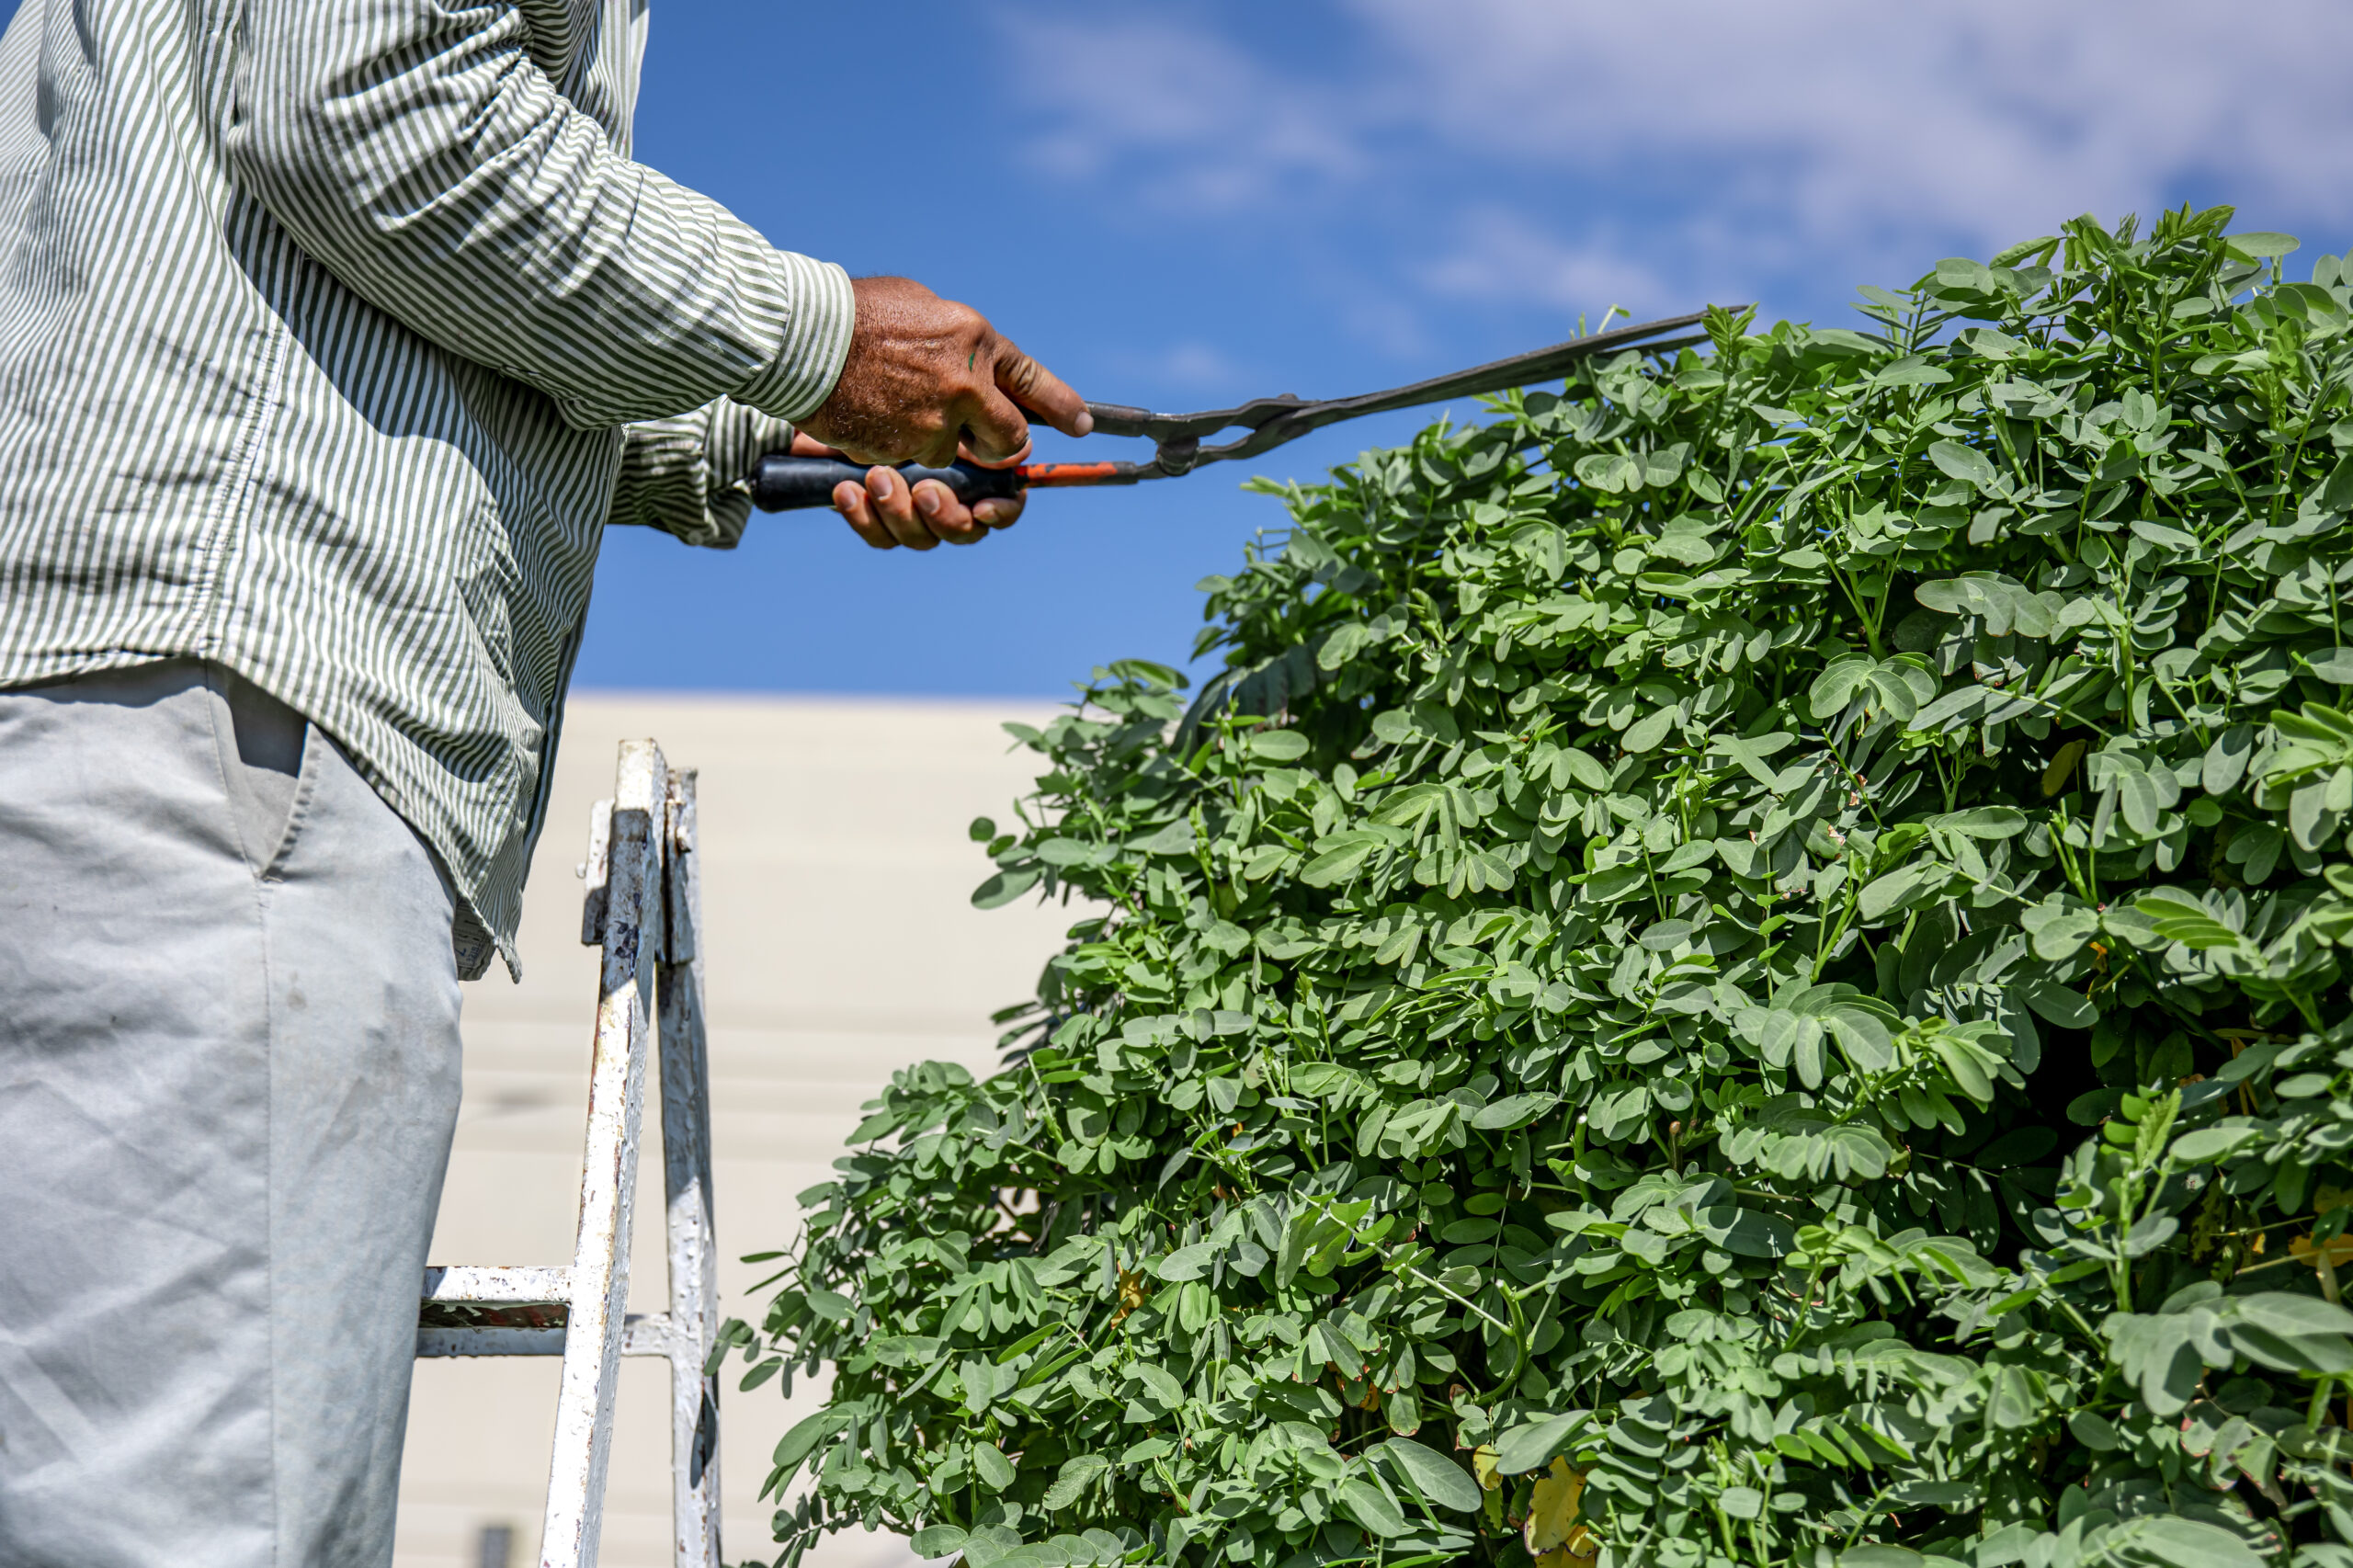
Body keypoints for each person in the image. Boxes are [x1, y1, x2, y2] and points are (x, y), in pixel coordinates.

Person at [0, 3, 1086, 1563]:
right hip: (232, 723)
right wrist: (822, 337)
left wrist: (778, 419)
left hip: (119, 709)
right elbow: (366, 108)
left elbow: (393, 263)